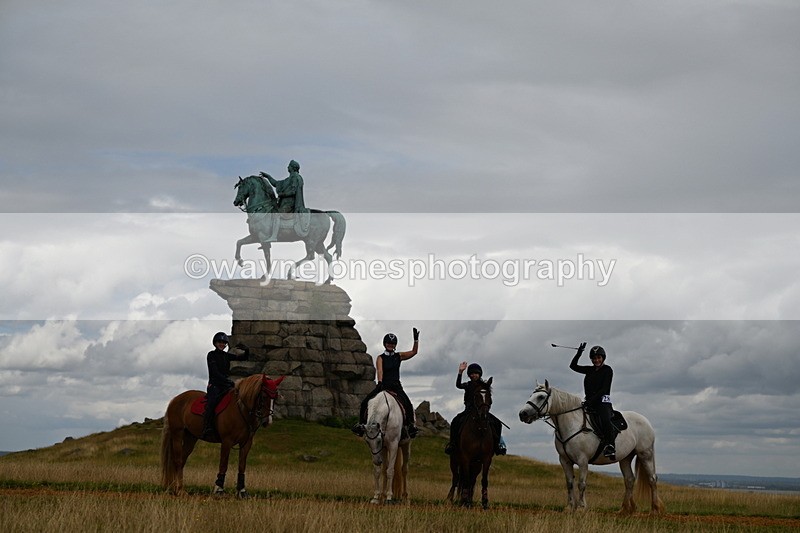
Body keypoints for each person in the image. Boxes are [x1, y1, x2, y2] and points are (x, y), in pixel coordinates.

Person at [352, 328, 420, 438]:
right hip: (383, 385)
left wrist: (416, 340)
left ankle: (411, 426)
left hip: (396, 386)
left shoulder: (399, 356)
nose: (390, 345)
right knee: (365, 402)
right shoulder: (380, 357)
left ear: (395, 345)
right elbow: (380, 370)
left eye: (393, 343)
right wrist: (379, 382)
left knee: (408, 404)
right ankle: (361, 425)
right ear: (385, 344)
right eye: (388, 343)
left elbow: (414, 352)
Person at [444, 362, 506, 456]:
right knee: (455, 421)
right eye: (471, 374)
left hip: (482, 411)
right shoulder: (468, 385)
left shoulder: (484, 386)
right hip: (468, 411)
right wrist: (460, 372)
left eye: (476, 373)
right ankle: (452, 444)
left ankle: (497, 446)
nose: (474, 375)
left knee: (497, 423)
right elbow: (458, 385)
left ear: (479, 374)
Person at [570, 342, 616, 459]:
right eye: (594, 358)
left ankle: (611, 445)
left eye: (599, 358)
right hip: (589, 402)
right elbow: (573, 366)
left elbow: (604, 389)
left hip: (603, 402)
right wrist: (579, 353)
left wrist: (591, 401)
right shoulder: (589, 370)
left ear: (603, 358)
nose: (596, 360)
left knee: (605, 419)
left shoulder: (607, 370)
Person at [202, 332, 249, 440]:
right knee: (212, 403)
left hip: (226, 385)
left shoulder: (226, 356)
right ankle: (207, 427)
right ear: (215, 343)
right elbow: (215, 373)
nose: (221, 344)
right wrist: (228, 381)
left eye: (223, 342)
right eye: (219, 342)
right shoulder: (211, 355)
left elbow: (242, 358)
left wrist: (246, 350)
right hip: (214, 385)